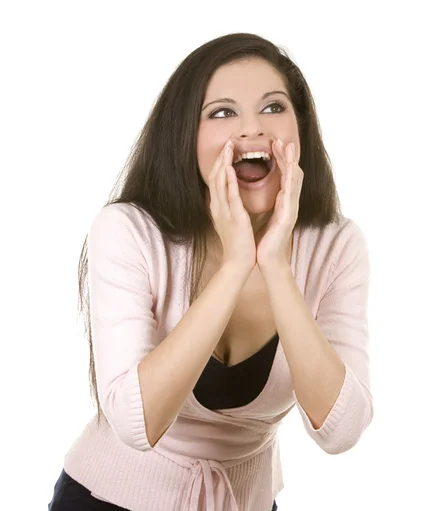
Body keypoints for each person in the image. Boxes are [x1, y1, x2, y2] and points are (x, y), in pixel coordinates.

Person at [48, 32, 374, 511]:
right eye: (222, 112)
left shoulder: (335, 246)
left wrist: (277, 268)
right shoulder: (129, 231)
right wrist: (236, 264)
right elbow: (137, 424)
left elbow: (342, 430)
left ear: (299, 129)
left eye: (273, 108)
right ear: (186, 136)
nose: (252, 129)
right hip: (106, 501)